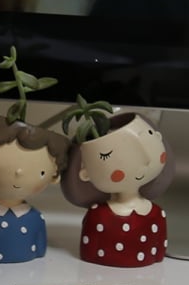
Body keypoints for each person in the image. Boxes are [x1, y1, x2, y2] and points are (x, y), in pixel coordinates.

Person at [0, 110, 70, 263]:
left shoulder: (35, 217)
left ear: (54, 177)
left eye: (41, 172)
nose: (19, 173)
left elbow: (40, 247)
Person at [61, 112, 172, 268]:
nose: (146, 160)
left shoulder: (156, 213)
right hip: (100, 274)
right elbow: (89, 251)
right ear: (85, 174)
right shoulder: (98, 214)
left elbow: (159, 249)